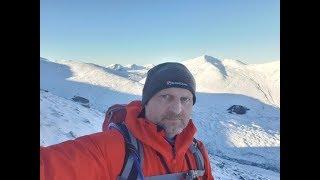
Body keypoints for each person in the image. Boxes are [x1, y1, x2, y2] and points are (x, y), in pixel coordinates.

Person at [40, 62, 214, 180]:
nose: (177, 109)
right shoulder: (115, 147)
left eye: (185, 100)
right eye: (165, 97)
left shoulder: (197, 152)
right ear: (146, 102)